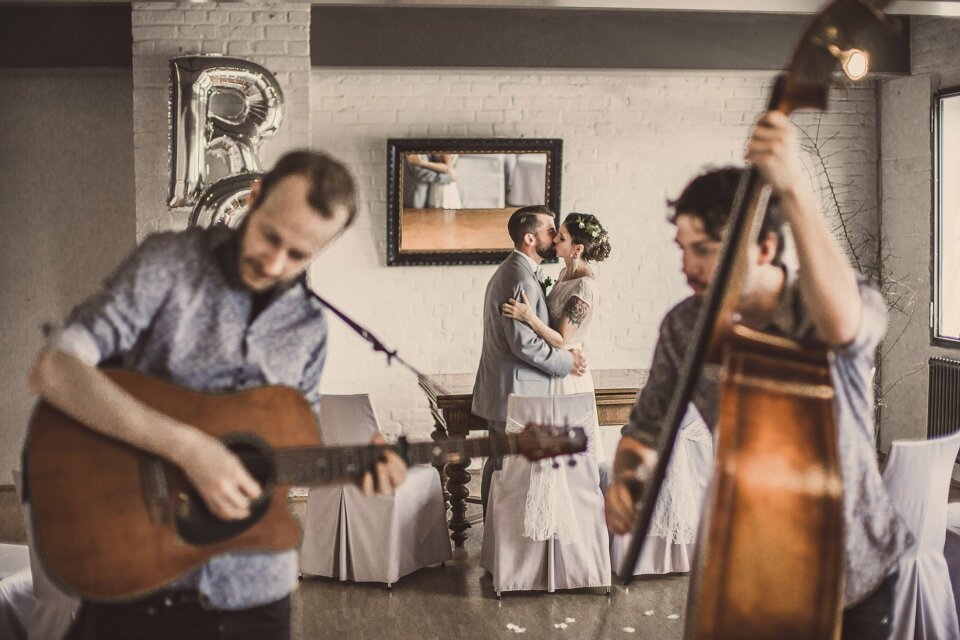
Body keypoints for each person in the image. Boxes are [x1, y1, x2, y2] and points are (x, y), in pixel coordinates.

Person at [26, 150, 407, 640]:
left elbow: (287, 452)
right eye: (270, 235)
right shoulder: (169, 262)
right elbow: (55, 369)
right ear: (254, 197)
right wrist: (189, 449)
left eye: (299, 255)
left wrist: (357, 468)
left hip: (254, 591)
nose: (274, 262)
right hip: (138, 574)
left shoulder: (309, 329)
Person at [604, 111, 911, 639]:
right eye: (683, 249)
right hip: (745, 560)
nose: (687, 267)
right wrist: (628, 477)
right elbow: (645, 428)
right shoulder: (684, 327)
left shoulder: (828, 300)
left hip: (851, 570)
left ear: (765, 248)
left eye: (704, 250)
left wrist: (794, 187)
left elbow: (842, 326)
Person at [472, 205, 587, 514]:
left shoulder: (519, 271)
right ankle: (497, 545)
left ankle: (498, 544)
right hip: (514, 391)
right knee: (504, 471)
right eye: (550, 231)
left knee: (502, 468)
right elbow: (524, 345)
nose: (555, 236)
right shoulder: (517, 277)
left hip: (512, 389)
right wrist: (567, 362)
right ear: (530, 239)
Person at [501, 212, 610, 459]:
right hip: (554, 366)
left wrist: (528, 316)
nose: (554, 241)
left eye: (560, 237)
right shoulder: (563, 275)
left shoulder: (584, 286)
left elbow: (561, 338)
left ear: (577, 249)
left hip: (569, 373)